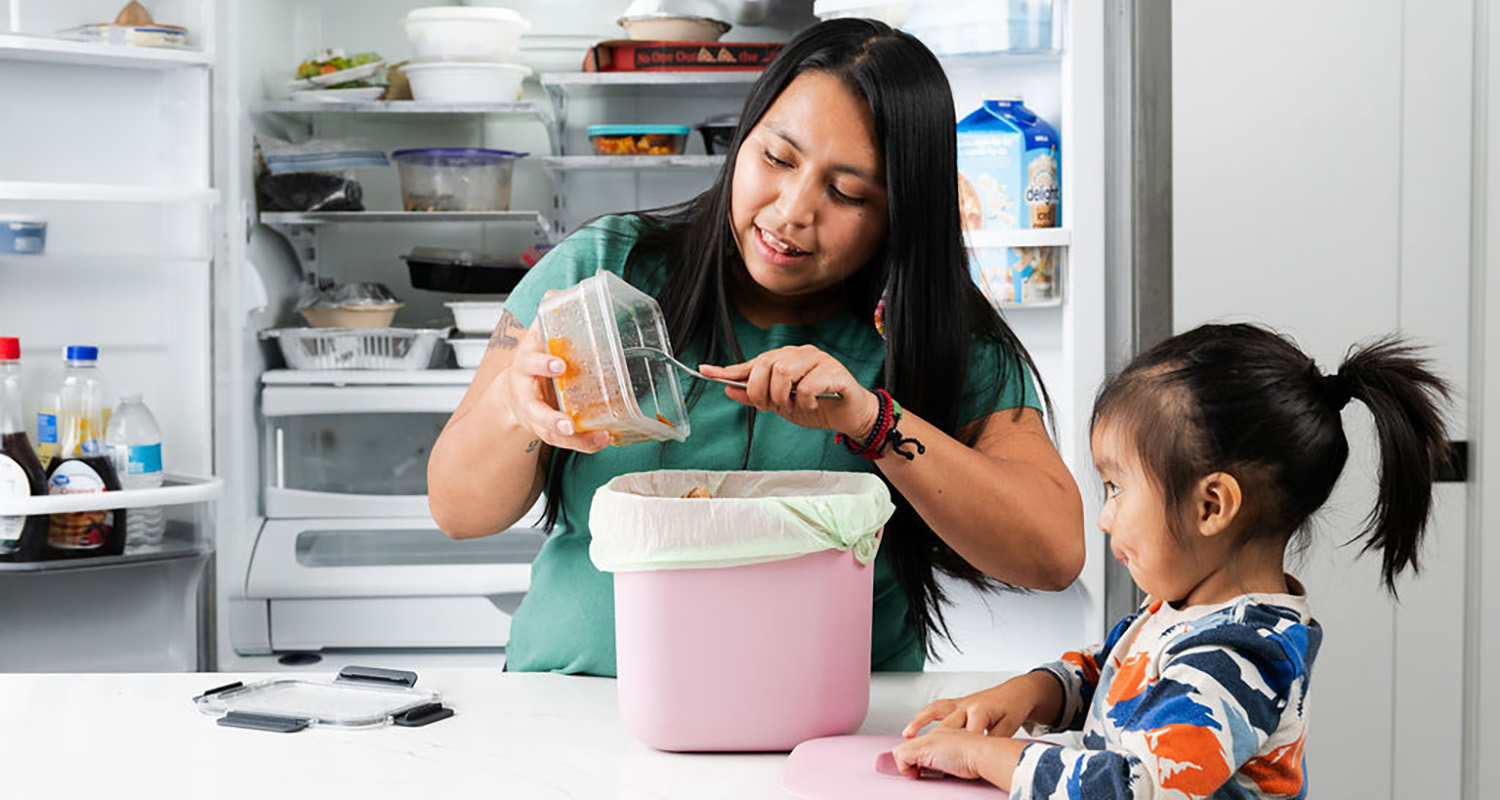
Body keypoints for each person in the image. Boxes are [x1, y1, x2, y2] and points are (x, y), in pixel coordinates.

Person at [427, 17, 1085, 676]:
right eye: (776, 158)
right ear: (742, 139)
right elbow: (457, 510)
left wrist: (871, 421)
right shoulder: (603, 271)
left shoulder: (932, 332)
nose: (793, 210)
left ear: (900, 214)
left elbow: (1051, 552)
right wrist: (516, 408)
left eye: (847, 192)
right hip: (578, 707)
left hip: (825, 732)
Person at [892, 323, 1452, 798]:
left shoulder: (1241, 653)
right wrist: (1021, 695)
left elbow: (1133, 785)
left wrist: (980, 757)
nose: (1105, 515)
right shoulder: (1183, 610)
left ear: (1211, 505)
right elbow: (1105, 673)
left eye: (1115, 486)